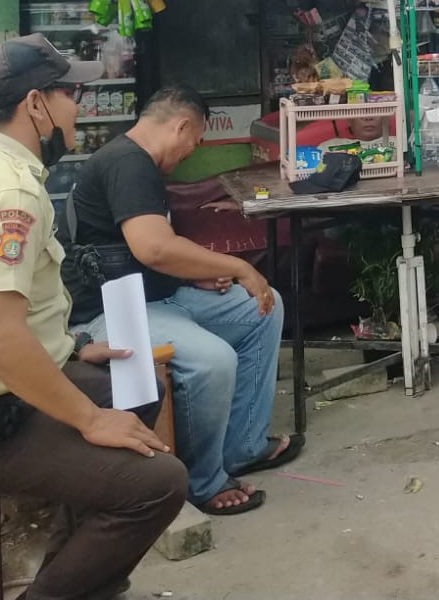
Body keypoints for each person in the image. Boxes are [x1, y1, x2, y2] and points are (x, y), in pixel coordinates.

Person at [0, 34, 186, 600]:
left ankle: (77, 579)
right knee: (159, 483)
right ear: (36, 105)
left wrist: (75, 345)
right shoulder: (6, 195)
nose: (78, 107)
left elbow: (14, 315)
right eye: (70, 93)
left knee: (138, 388)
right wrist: (88, 419)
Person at [65, 85, 301, 517]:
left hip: (158, 296)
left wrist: (201, 274)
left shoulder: (138, 162)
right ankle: (202, 481)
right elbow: (153, 247)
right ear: (182, 125)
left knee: (262, 307)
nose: (193, 151)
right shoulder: (127, 163)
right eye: (196, 141)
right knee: (213, 361)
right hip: (112, 314)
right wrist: (239, 267)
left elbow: (149, 251)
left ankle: (243, 445)